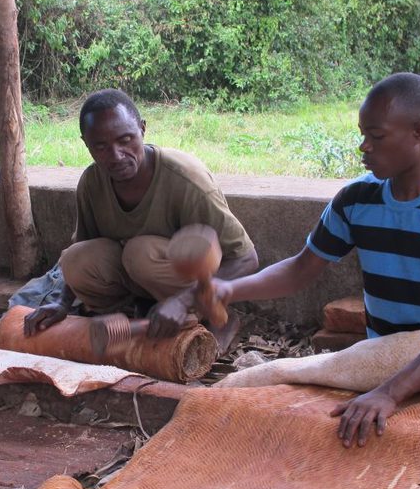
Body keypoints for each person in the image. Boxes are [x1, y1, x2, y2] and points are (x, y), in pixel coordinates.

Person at [208, 72, 420, 448]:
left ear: (419, 132)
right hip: (381, 355)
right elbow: (301, 269)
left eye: (376, 137)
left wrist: (391, 393)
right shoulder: (357, 200)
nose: (364, 147)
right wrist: (229, 289)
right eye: (363, 134)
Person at [23, 89, 258, 348]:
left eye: (125, 139)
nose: (116, 155)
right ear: (86, 144)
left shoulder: (186, 179)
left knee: (139, 253)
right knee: (75, 259)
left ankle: (213, 320)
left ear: (143, 129)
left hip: (189, 286)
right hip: (140, 282)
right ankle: (137, 314)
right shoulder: (92, 182)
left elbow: (246, 258)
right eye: (100, 146)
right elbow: (84, 246)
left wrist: (182, 300)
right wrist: (62, 302)